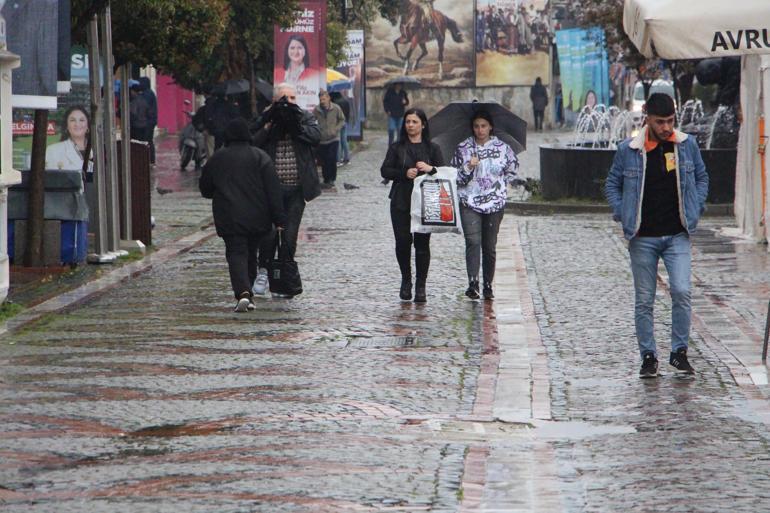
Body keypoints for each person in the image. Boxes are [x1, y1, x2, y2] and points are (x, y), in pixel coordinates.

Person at [605, 93, 709, 378]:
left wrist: (696, 206)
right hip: (642, 236)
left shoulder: (686, 146)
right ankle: (648, 356)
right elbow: (612, 183)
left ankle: (679, 352)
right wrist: (621, 211)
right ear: (647, 119)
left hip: (678, 233)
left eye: (670, 121)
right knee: (644, 299)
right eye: (660, 122)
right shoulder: (629, 149)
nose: (666, 127)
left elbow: (702, 177)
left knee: (682, 290)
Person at [200, 118, 286, 312]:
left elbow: (205, 189)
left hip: (229, 216)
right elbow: (273, 190)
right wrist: (279, 219)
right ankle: (249, 294)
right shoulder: (260, 157)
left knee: (236, 252)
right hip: (258, 215)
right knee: (251, 253)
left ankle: (243, 292)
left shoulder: (217, 158)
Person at [252, 82, 321, 299]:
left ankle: (284, 278)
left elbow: (316, 136)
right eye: (284, 99)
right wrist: (269, 125)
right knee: (269, 234)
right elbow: (252, 142)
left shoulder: (303, 117)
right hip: (269, 191)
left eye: (292, 98)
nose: (288, 103)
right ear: (274, 101)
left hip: (296, 190)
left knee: (290, 235)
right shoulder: (266, 118)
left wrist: (295, 126)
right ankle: (263, 270)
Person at [451, 110, 519, 300]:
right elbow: (456, 177)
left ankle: (488, 283)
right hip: (469, 201)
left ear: (490, 127)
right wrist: (468, 166)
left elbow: (513, 169)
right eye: (476, 126)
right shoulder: (463, 148)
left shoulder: (503, 148)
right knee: (473, 242)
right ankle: (473, 283)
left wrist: (504, 185)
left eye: (483, 126)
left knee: (489, 246)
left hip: (495, 203)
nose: (480, 130)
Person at [380, 108, 445, 303]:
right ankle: (406, 281)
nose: (410, 125)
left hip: (426, 202)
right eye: (408, 121)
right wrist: (403, 173)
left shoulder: (433, 148)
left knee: (422, 245)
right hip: (401, 200)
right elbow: (385, 170)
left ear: (423, 125)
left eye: (414, 122)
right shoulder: (396, 147)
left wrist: (430, 169)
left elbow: (443, 173)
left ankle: (421, 285)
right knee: (402, 243)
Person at [313, 90, 346, 188]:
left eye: (324, 99)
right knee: (323, 160)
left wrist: (336, 129)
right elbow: (311, 120)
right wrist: (315, 130)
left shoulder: (336, 108)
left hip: (333, 138)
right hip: (322, 139)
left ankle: (332, 178)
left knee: (331, 158)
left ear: (328, 98)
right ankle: (326, 179)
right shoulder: (317, 110)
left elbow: (342, 120)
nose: (322, 101)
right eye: (320, 99)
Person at [45, 106, 91, 173]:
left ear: (87, 126)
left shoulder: (99, 150)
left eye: (82, 120)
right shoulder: (53, 151)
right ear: (67, 126)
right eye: (72, 120)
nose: (77, 124)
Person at [138, 77, 158, 164]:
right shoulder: (149, 93)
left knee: (147, 140)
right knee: (149, 140)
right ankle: (150, 159)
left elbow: (143, 106)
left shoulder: (147, 94)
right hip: (151, 121)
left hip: (148, 122)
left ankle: (149, 159)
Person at [330, 91, 351, 165]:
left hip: (338, 123)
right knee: (344, 141)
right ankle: (347, 158)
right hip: (345, 122)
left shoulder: (335, 103)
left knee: (338, 141)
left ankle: (338, 159)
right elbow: (348, 112)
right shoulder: (346, 101)